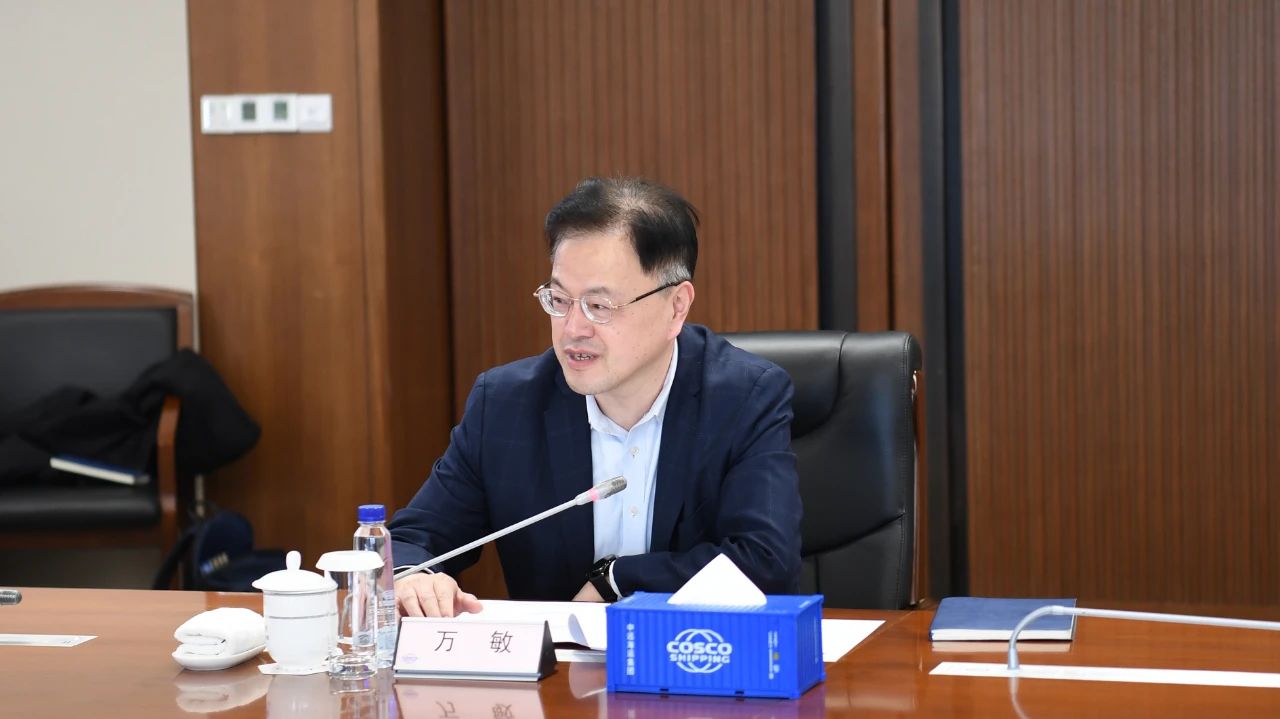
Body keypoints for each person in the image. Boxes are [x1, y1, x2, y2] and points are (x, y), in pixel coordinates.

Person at [390, 177, 801, 617]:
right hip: (559, 662)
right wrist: (413, 577)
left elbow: (766, 564)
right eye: (559, 300)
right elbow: (413, 540)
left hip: (696, 653)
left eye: (599, 306)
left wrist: (617, 578)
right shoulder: (507, 405)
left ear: (676, 306)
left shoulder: (744, 398)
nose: (573, 329)